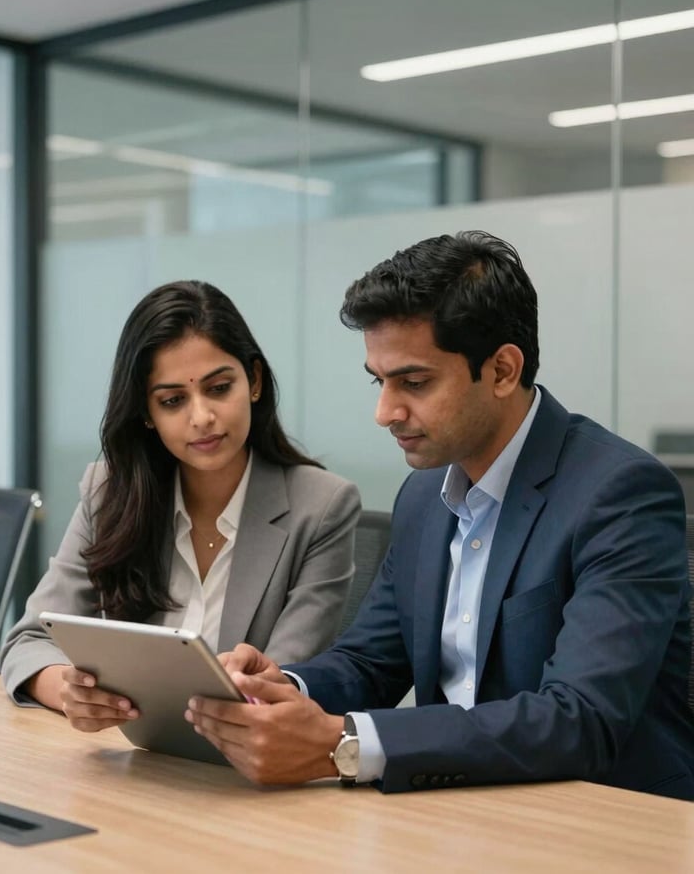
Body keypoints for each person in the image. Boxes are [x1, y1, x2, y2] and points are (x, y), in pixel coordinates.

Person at [186, 232, 694, 799]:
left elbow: (580, 719)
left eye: (415, 382)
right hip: (455, 805)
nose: (385, 412)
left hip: (602, 818)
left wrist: (341, 741)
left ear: (502, 370)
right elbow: (371, 663)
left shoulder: (619, 493)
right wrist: (286, 685)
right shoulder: (425, 495)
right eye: (379, 382)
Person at [1, 280, 361, 731]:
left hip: (240, 772)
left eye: (218, 388)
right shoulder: (109, 491)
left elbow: (279, 686)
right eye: (172, 401)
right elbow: (29, 640)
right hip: (126, 762)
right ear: (147, 413)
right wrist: (68, 691)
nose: (201, 418)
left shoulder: (322, 506)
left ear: (253, 381)